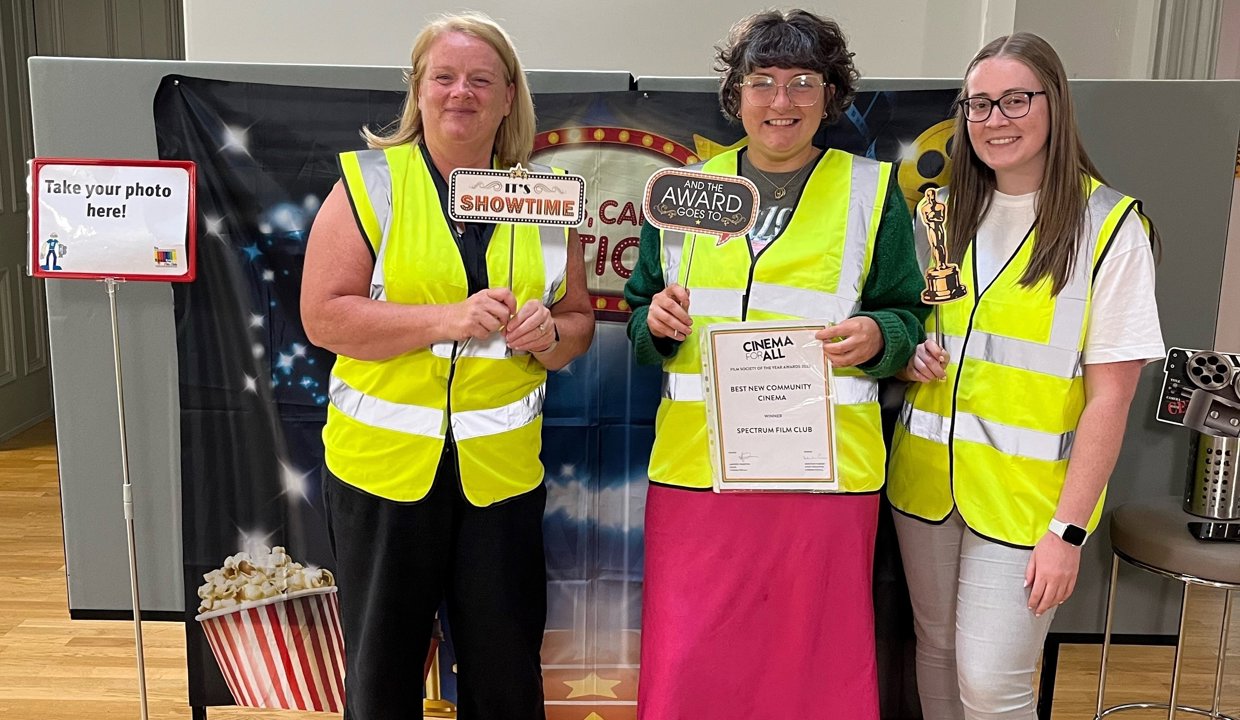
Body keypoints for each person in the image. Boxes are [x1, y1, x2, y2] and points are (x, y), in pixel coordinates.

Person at [623, 9, 928, 719]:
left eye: (802, 82)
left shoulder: (871, 192)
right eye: (762, 82)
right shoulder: (682, 191)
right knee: (692, 663)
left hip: (822, 481)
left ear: (831, 95)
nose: (781, 101)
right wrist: (656, 324)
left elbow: (908, 317)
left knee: (812, 669)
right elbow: (641, 317)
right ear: (736, 95)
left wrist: (880, 336)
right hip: (699, 479)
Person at [300, 12, 593, 720]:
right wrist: (444, 320)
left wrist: (547, 332)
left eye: (480, 79)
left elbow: (579, 323)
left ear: (507, 97)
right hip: (383, 474)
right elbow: (324, 316)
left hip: (499, 478)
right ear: (419, 91)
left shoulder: (547, 198)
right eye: (445, 77)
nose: (461, 92)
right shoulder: (370, 185)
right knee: (382, 673)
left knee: (504, 669)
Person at [887, 32, 1164, 720]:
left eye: (1015, 99)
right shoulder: (941, 213)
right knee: (937, 653)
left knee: (991, 682)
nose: (994, 119)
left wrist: (1067, 533)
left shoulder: (1110, 227)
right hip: (925, 483)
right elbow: (922, 328)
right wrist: (913, 354)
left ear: (1054, 104)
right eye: (978, 105)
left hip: (1028, 504)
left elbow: (1111, 399)